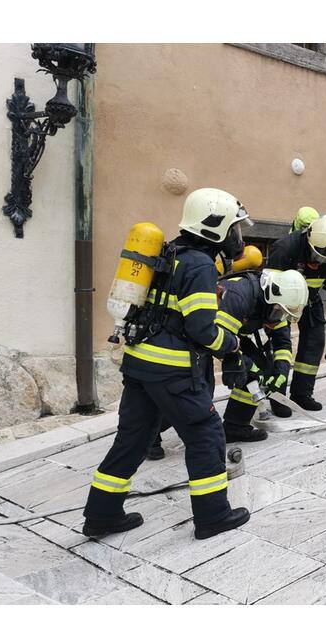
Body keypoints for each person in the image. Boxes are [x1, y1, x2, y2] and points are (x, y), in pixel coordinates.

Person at [82, 188, 252, 540]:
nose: (237, 236)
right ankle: (213, 515)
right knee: (206, 435)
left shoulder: (169, 253)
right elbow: (202, 329)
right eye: (233, 227)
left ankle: (102, 515)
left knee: (132, 440)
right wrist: (231, 343)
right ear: (215, 226)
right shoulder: (200, 265)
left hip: (139, 365)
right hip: (173, 372)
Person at [267, 213, 326, 411]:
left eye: (324, 258)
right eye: (316, 255)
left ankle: (302, 394)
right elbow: (270, 286)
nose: (318, 262)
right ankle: (278, 397)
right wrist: (272, 317)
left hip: (311, 298)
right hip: (282, 302)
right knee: (282, 346)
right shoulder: (284, 248)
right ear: (308, 239)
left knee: (315, 342)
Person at [217, 268, 308, 441]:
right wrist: (243, 363)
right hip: (205, 335)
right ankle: (159, 435)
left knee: (261, 370)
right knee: (194, 383)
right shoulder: (239, 296)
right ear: (269, 297)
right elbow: (218, 340)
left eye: (284, 315)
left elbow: (282, 342)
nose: (279, 319)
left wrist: (281, 371)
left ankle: (235, 427)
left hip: (230, 335)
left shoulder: (278, 307)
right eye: (278, 313)